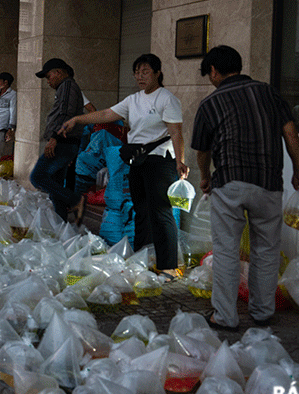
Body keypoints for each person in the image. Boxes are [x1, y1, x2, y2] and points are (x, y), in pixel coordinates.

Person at [191, 45, 299, 330]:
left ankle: (225, 316)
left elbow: (202, 150)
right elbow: (290, 134)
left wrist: (205, 176)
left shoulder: (210, 104)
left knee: (226, 250)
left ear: (214, 71)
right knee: (266, 250)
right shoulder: (269, 92)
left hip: (230, 182)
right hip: (269, 182)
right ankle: (262, 312)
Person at [60, 53, 189, 273]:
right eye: (137, 72)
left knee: (161, 214)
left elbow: (176, 133)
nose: (140, 76)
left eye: (145, 72)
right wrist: (78, 119)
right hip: (137, 161)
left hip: (160, 161)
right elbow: (106, 114)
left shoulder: (166, 98)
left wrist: (181, 162)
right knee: (141, 211)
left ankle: (168, 267)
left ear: (158, 73)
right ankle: (143, 259)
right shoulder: (134, 99)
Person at [30, 58, 83, 218]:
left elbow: (65, 113)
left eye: (48, 76)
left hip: (63, 142)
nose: (48, 81)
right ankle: (61, 225)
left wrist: (54, 138)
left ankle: (75, 200)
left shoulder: (67, 85)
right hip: (64, 141)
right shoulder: (65, 87)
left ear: (58, 72)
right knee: (56, 185)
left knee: (37, 176)